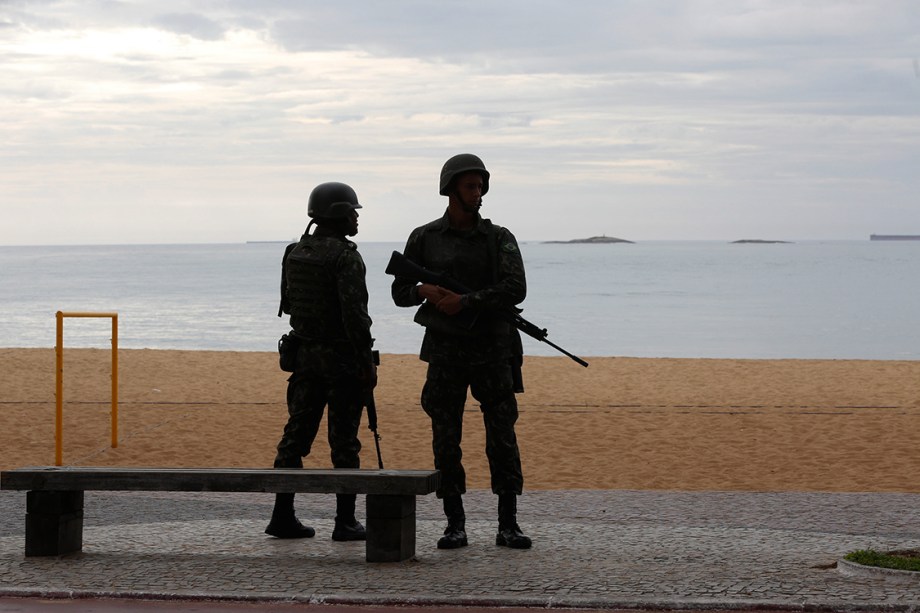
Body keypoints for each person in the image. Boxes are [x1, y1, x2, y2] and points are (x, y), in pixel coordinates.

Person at [390, 153, 532, 550]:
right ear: (451, 188)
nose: (479, 193)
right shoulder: (424, 238)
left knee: (502, 437)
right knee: (445, 437)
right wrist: (425, 291)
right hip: (445, 352)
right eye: (471, 186)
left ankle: (508, 524)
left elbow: (515, 288)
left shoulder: (499, 237)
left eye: (481, 186)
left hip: (493, 351)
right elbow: (400, 291)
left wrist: (465, 303)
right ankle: (455, 523)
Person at [266, 181, 377, 542]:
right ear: (337, 214)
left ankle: (282, 515)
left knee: (294, 438)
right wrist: (366, 362)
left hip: (305, 358)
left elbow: (289, 305)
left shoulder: (294, 252)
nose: (356, 216)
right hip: (342, 361)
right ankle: (345, 521)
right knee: (344, 443)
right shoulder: (345, 257)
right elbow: (355, 317)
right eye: (351, 210)